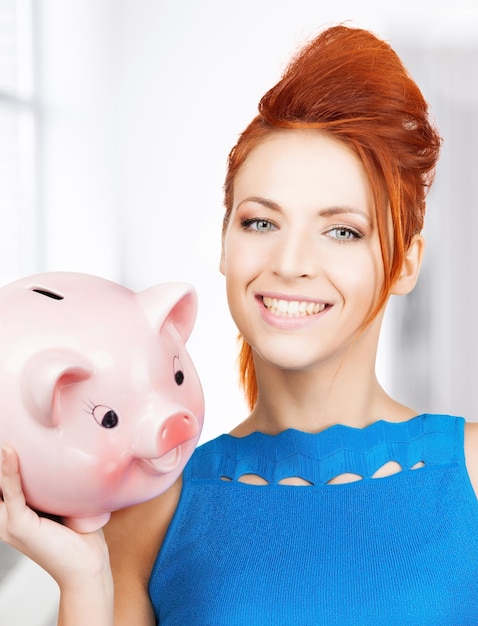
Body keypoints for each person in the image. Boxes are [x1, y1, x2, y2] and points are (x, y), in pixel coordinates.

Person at [1, 23, 478, 625]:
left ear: (405, 262)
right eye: (260, 222)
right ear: (225, 245)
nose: (290, 262)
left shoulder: (471, 476)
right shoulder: (154, 512)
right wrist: (85, 580)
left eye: (341, 230)